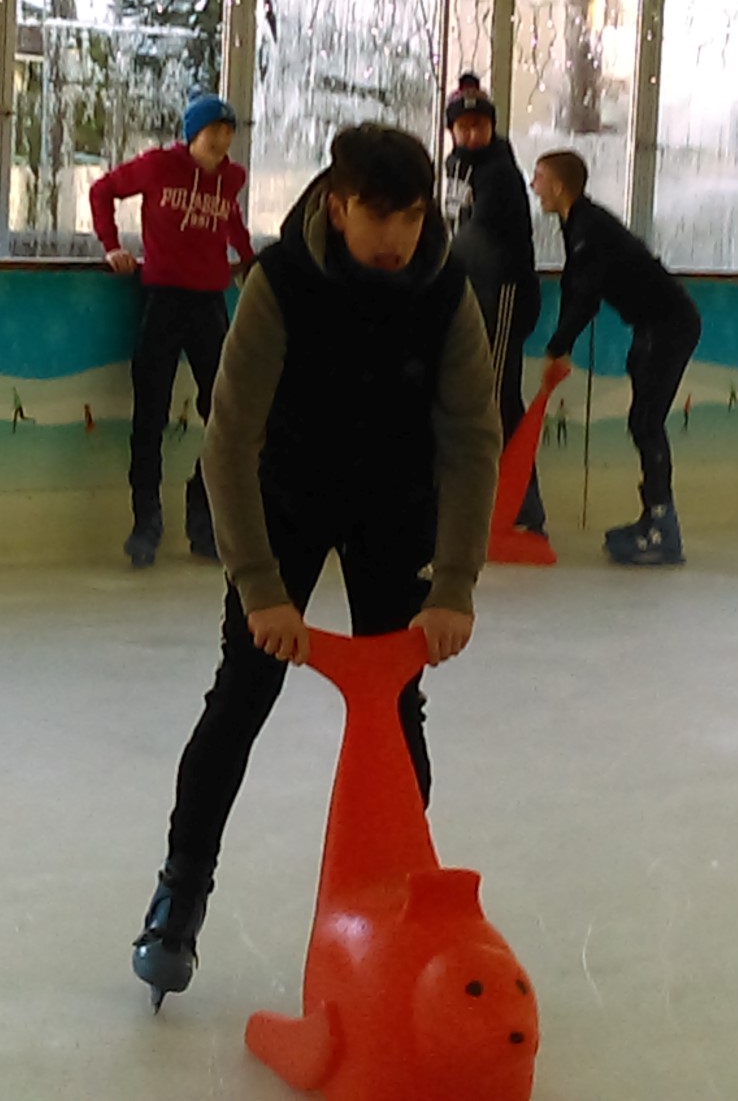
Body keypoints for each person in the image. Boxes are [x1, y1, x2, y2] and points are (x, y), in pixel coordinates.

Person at [131, 123, 501, 1008]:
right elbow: (229, 441)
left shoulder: (446, 291)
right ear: (337, 205)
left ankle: (398, 898)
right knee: (243, 693)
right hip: (289, 496)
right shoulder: (281, 280)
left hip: (395, 506)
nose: (396, 236)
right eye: (378, 214)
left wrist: (455, 581)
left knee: (395, 704)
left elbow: (472, 438)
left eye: (412, 216)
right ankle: (180, 893)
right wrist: (260, 585)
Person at [90, 91, 255, 568]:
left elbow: (231, 221)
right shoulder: (160, 166)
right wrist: (110, 245)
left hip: (209, 304)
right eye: (213, 131)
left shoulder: (231, 179)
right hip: (163, 298)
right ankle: (146, 522)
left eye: (229, 132)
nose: (222, 140)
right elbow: (102, 190)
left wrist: (250, 261)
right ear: (192, 134)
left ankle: (203, 519)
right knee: (150, 414)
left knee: (224, 413)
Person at [532, 149, 701, 566]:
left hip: (669, 325)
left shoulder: (589, 228)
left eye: (539, 178)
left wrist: (558, 347)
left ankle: (663, 528)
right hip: (653, 325)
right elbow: (575, 286)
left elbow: (586, 298)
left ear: (559, 186)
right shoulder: (577, 223)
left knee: (646, 422)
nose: (534, 186)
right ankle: (654, 518)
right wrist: (562, 345)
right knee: (642, 421)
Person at [445, 73, 545, 534]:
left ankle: (523, 502)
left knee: (498, 394)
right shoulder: (455, 166)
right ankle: (491, 495)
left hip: (505, 292)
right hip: (474, 291)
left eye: (479, 126)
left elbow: (475, 238)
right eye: (463, 127)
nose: (471, 134)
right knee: (478, 392)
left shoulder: (499, 173)